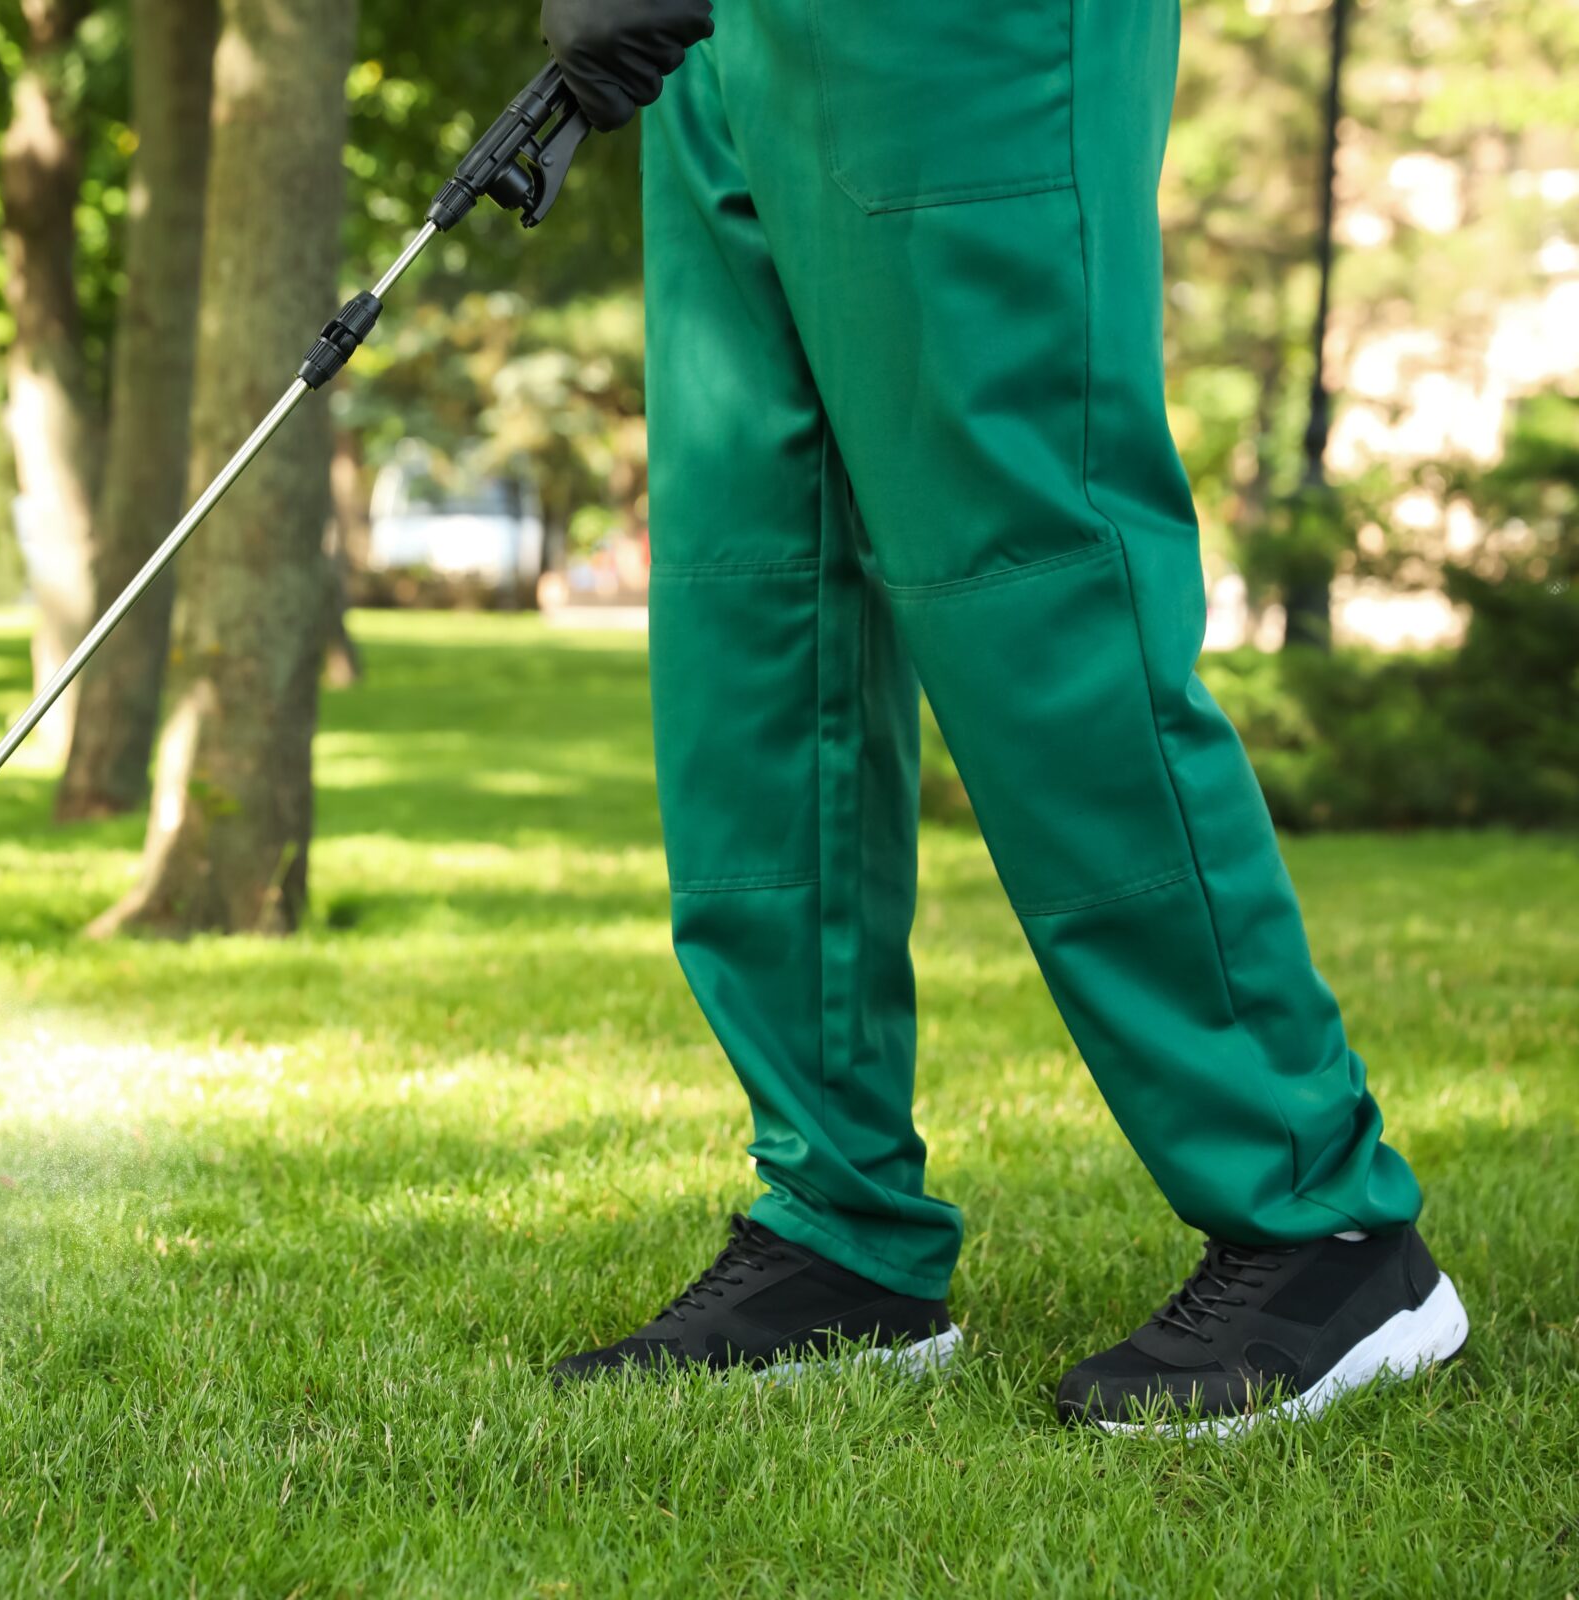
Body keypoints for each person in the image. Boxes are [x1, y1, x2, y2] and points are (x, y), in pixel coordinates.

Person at [537, 0, 1468, 1431]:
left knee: (1033, 581)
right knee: (758, 606)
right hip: (721, 42)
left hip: (956, 32)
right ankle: (836, 1230)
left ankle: (1323, 1226)